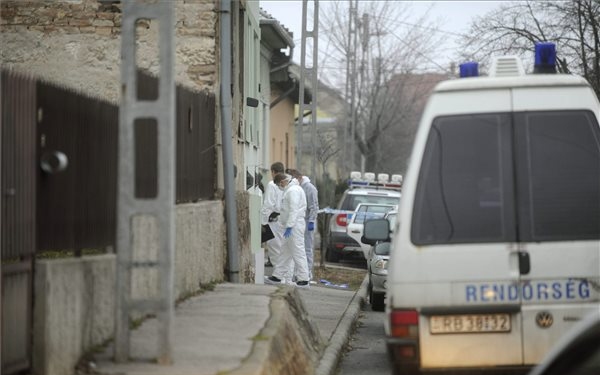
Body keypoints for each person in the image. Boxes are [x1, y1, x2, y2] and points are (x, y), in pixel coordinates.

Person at [265, 173, 310, 288]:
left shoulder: (292, 191)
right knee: (285, 252)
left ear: (283, 181)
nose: (280, 187)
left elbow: (293, 210)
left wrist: (289, 226)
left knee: (298, 252)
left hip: (294, 226)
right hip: (291, 226)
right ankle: (277, 276)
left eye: (279, 184)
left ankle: (304, 279)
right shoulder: (292, 190)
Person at [286, 168, 319, 280]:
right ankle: (297, 273)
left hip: (306, 220)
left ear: (299, 178)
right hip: (298, 221)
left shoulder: (309, 188)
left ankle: (308, 272)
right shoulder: (297, 187)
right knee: (297, 247)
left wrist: (311, 221)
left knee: (307, 247)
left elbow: (314, 206)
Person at [261, 162, 285, 269]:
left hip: (273, 220)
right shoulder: (288, 184)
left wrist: (263, 221)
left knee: (274, 248)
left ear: (273, 172)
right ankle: (284, 274)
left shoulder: (272, 184)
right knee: (283, 248)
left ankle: (279, 275)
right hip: (284, 219)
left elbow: (268, 204)